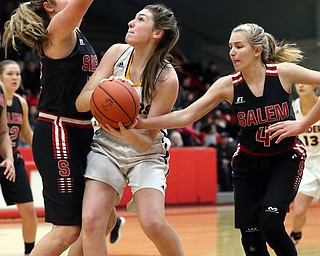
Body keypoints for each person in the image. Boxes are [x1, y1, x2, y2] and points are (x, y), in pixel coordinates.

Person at [136, 23, 313, 256]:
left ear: (257, 50)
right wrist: (144, 123)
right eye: (230, 46)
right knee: (250, 236)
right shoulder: (227, 84)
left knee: (270, 224)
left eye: (239, 46)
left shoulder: (283, 73)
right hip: (249, 164)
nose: (232, 52)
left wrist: (303, 123)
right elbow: (187, 114)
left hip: (285, 159)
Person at [1, 0, 124, 255]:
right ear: (49, 6)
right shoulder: (58, 28)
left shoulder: (75, 33)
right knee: (67, 230)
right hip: (59, 130)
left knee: (104, 218)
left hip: (82, 131)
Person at [76, 4, 184, 255]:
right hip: (106, 146)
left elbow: (147, 141)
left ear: (157, 33)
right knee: (91, 223)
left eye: (140, 19)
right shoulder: (117, 53)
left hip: (145, 153)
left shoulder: (167, 78)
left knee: (153, 223)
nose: (130, 23)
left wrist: (125, 131)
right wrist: (105, 86)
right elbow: (81, 103)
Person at [0, 59, 37, 256]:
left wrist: (41, 155)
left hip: (12, 160)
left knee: (29, 210)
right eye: (10, 74)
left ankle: (29, 252)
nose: (15, 77)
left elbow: (27, 134)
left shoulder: (21, 102)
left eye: (18, 74)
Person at [286, 84, 320, 245]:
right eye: (297, 82)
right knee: (298, 212)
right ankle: (296, 236)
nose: (299, 84)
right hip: (307, 165)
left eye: (304, 81)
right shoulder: (292, 107)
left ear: (314, 85)